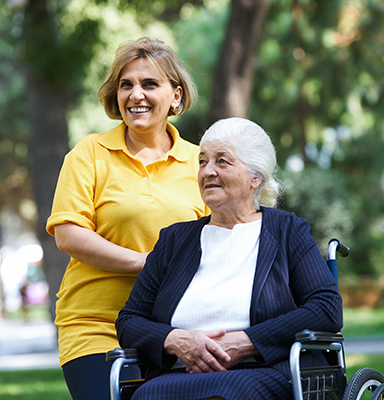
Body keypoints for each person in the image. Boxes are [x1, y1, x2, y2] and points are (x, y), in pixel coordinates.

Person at [116, 117, 343, 400]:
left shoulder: (287, 231)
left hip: (265, 370)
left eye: (222, 161)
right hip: (179, 375)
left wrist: (248, 342)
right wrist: (175, 340)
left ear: (255, 177)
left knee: (234, 394)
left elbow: (325, 309)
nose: (208, 171)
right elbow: (129, 320)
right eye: (202, 161)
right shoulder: (174, 241)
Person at [46, 38, 207, 400]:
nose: (136, 94)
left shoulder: (200, 164)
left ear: (176, 96)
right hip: (95, 326)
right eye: (126, 84)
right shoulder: (90, 153)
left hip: (172, 330)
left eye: (150, 84)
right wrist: (146, 263)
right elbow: (69, 235)